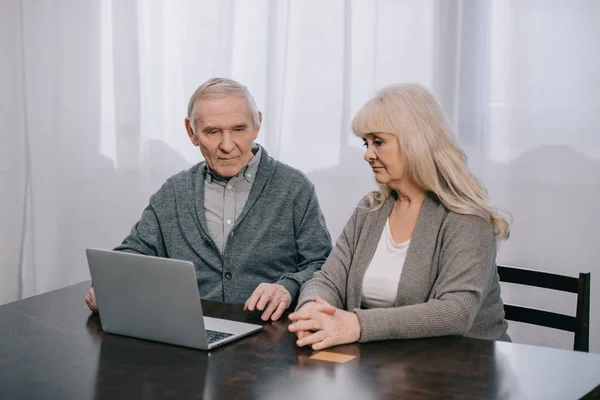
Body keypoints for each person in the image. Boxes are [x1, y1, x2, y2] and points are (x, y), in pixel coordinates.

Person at [85, 78, 332, 321]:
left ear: (257, 125)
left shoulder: (294, 188)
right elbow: (132, 254)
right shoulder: (174, 192)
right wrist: (109, 286)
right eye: (212, 132)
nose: (227, 145)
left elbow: (323, 266)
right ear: (191, 132)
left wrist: (287, 287)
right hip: (190, 333)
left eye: (238, 129)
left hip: (271, 338)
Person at [288, 83, 511, 349]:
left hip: (464, 370)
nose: (368, 155)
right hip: (387, 368)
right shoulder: (371, 208)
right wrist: (312, 312)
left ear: (415, 142)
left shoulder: (466, 218)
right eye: (366, 143)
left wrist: (356, 325)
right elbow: (327, 280)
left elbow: (455, 312)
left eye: (378, 142)